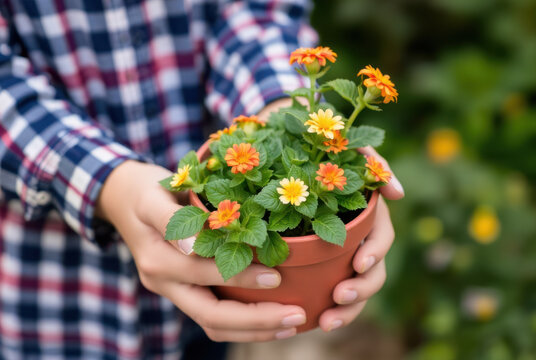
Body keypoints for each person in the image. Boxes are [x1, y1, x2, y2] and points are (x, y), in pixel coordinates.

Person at [0, 0, 405, 358]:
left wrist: (283, 111)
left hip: (219, 312)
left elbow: (255, 12)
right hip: (62, 301)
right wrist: (111, 185)